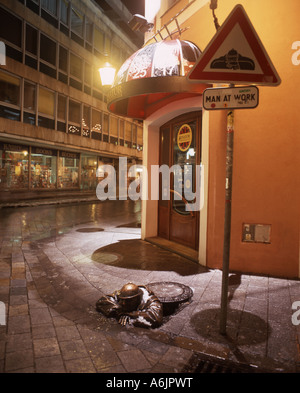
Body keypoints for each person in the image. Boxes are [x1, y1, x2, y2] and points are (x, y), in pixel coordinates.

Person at [96, 282, 163, 328]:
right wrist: (119, 310)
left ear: (137, 299)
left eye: (128, 301)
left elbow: (156, 318)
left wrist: (133, 314)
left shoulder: (149, 299)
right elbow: (102, 301)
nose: (123, 303)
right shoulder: (121, 294)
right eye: (122, 300)